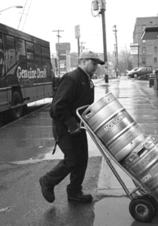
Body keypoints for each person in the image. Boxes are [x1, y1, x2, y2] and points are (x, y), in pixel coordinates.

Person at [39, 51, 105, 203]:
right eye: (93, 63)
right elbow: (58, 107)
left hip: (78, 127)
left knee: (82, 159)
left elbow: (83, 106)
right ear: (82, 61)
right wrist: (71, 123)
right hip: (64, 126)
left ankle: (74, 192)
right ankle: (47, 181)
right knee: (73, 159)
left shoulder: (87, 80)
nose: (96, 67)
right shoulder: (72, 78)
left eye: (97, 64)